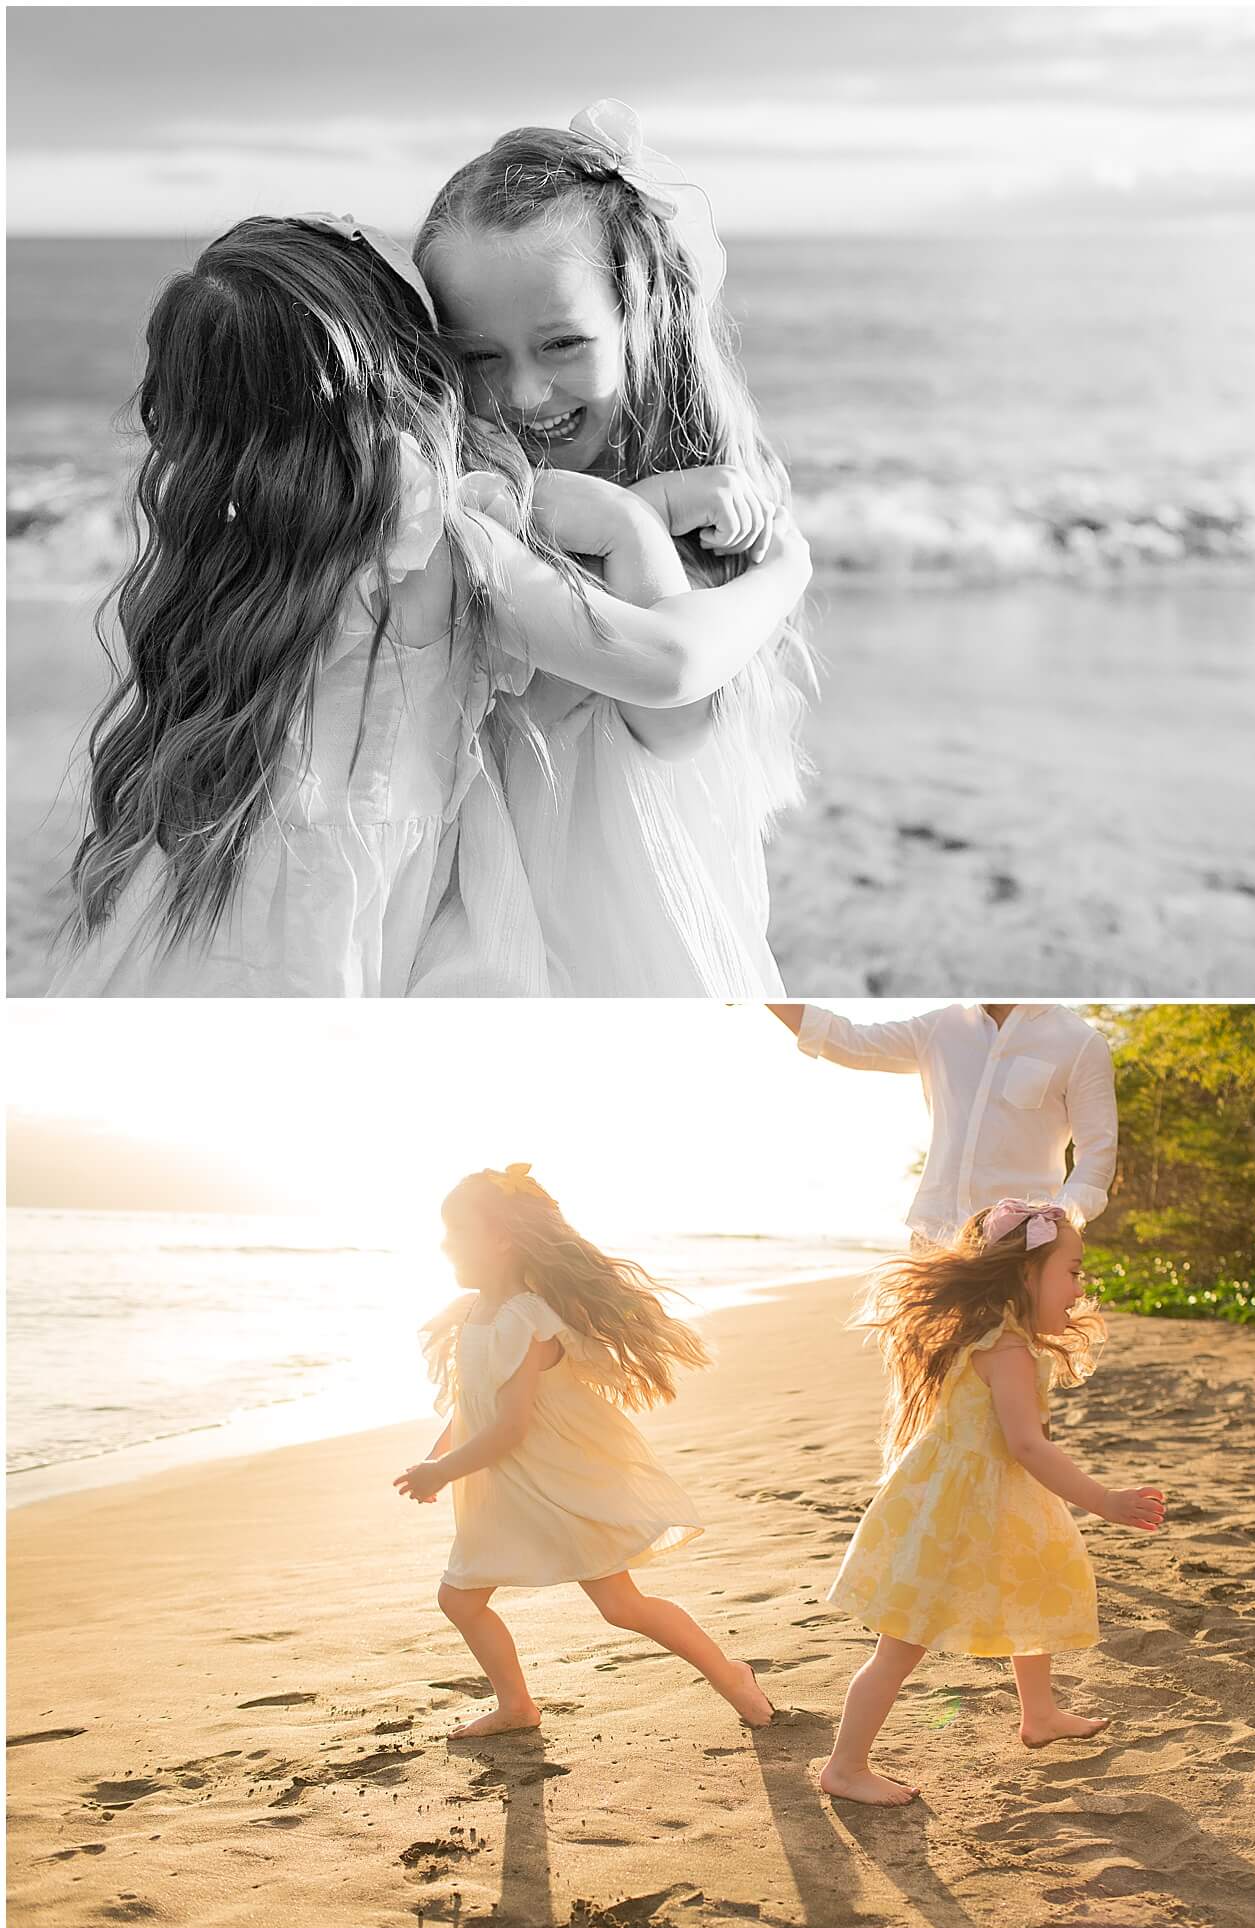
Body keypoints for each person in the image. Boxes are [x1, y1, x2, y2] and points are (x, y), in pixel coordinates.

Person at [55, 214, 809, 997]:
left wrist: (635, 503)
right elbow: (666, 665)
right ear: (397, 364)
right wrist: (780, 569)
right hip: (350, 928)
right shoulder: (426, 527)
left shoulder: (245, 547)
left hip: (202, 910)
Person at [416, 99, 815, 996]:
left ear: (641, 319)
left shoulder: (727, 495)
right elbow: (650, 693)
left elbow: (688, 737)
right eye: (477, 356)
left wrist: (645, 510)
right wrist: (646, 516)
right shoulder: (470, 511)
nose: (522, 390)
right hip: (518, 944)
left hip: (664, 910)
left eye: (562, 343)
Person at [395, 1164, 775, 1735]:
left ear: (500, 1239)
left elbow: (510, 1427)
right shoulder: (476, 1313)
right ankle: (516, 1707)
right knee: (462, 1600)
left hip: (552, 1484)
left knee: (621, 1606)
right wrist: (438, 1459)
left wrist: (442, 1469)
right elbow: (472, 1401)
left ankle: (731, 1676)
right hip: (501, 1488)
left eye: (458, 1230)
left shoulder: (524, 1319)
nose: (445, 1243)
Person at [819, 1200, 1166, 1805]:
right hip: (955, 1517)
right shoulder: (1004, 1352)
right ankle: (845, 1766)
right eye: (1073, 1270)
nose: (1081, 1286)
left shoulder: (999, 1340)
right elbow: (1027, 1446)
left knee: (1026, 1590)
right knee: (901, 1645)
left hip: (985, 1502)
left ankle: (1040, 1715)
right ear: (1025, 1274)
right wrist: (1104, 1501)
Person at [768, 1002, 1118, 1244]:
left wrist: (1053, 1220)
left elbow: (1097, 1155)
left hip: (1018, 1246)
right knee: (924, 1353)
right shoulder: (943, 1026)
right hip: (932, 1236)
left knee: (1004, 1350)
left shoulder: (1080, 1043)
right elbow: (849, 1042)